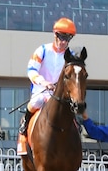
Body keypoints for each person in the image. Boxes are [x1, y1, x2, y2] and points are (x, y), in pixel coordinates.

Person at [18, 17, 77, 154]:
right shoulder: (42, 50)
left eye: (67, 39)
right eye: (62, 38)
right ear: (55, 35)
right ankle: (24, 126)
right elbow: (31, 70)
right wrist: (43, 82)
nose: (64, 42)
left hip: (61, 94)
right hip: (41, 90)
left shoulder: (71, 55)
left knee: (72, 111)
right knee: (36, 102)